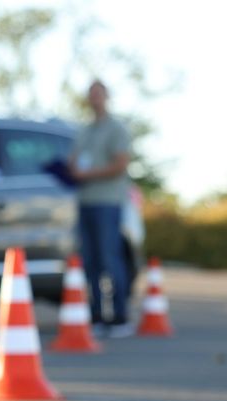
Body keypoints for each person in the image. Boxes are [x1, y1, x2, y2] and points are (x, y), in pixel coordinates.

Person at [69, 79, 133, 338]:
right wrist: (71, 171)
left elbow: (120, 164)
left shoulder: (116, 129)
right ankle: (96, 315)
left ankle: (119, 316)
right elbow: (74, 161)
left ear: (107, 96)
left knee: (110, 258)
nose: (94, 98)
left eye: (99, 93)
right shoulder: (84, 131)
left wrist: (90, 173)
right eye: (91, 93)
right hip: (85, 202)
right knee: (90, 261)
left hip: (107, 202)